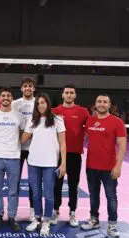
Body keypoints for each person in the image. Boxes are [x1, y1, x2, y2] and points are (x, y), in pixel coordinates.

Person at [81, 94, 127, 238]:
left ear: (109, 105)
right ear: (95, 104)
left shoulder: (117, 122)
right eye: (99, 101)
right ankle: (94, 220)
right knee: (93, 196)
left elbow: (122, 145)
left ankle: (112, 225)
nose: (102, 104)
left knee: (111, 197)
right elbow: (83, 136)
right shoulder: (89, 120)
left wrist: (118, 166)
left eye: (105, 102)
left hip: (109, 168)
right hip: (91, 166)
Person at [21, 92, 66, 236]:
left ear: (48, 103)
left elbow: (63, 143)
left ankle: (46, 221)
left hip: (50, 163)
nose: (41, 105)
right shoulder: (32, 121)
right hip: (33, 161)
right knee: (35, 193)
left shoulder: (57, 120)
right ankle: (37, 218)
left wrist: (63, 163)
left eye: (43, 102)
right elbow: (22, 139)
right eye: (38, 103)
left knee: (48, 194)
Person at [0, 87, 25, 231]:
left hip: (14, 158)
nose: (5, 98)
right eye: (3, 95)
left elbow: (21, 134)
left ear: (11, 99)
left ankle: (11, 217)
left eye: (8, 96)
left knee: (13, 191)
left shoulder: (19, 116)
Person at [51, 84, 90, 227]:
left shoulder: (83, 111)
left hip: (74, 155)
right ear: (62, 95)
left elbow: (90, 128)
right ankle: (55, 211)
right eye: (66, 92)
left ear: (75, 95)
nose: (68, 95)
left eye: (71, 92)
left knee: (74, 185)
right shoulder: (54, 111)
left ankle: (72, 212)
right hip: (58, 155)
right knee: (57, 185)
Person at [11, 77, 36, 221]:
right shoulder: (15, 104)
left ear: (34, 88)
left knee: (33, 181)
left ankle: (33, 210)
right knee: (15, 180)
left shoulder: (38, 102)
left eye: (30, 86)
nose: (27, 88)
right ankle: (13, 210)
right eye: (25, 86)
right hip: (17, 148)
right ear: (21, 89)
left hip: (34, 148)